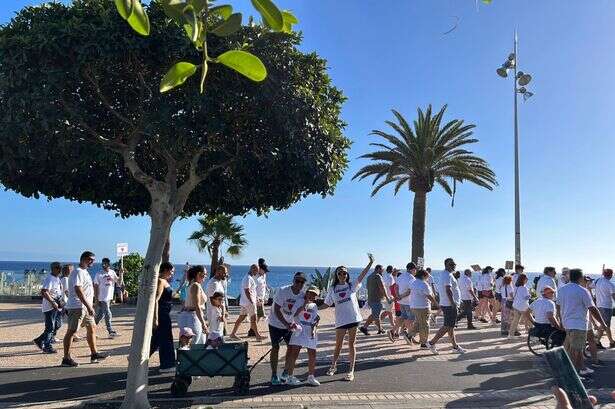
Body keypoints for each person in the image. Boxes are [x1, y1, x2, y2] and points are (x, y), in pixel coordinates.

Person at [322, 254, 374, 382]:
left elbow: (362, 276)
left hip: (353, 319)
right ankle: (333, 366)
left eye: (345, 273)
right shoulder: (333, 289)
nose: (342, 275)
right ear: (336, 275)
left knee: (351, 344)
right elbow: (326, 304)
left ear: (347, 275)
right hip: (340, 320)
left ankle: (351, 371)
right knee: (338, 345)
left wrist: (370, 263)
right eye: (340, 273)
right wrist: (311, 307)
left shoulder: (352, 286)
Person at [556, 268, 609, 375]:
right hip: (579, 324)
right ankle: (573, 375)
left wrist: (560, 320)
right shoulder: (582, 291)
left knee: (578, 348)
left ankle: (582, 368)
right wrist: (602, 323)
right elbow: (592, 308)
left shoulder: (562, 290)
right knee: (575, 351)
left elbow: (558, 306)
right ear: (580, 277)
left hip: (567, 323)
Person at [62, 251, 108, 367]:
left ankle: (94, 354)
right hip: (77, 306)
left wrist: (91, 305)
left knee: (92, 328)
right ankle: (66, 358)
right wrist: (88, 305)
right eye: (90, 259)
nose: (92, 261)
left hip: (85, 307)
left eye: (93, 259)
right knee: (72, 331)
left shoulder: (85, 272)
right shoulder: (78, 272)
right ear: (83, 259)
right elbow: (78, 289)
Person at [266, 271, 306, 385]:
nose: (299, 283)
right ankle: (274, 374)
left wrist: (294, 324)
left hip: (289, 325)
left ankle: (285, 372)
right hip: (275, 323)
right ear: (293, 280)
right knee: (275, 347)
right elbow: (276, 309)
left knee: (291, 348)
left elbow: (299, 311)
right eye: (297, 281)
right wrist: (286, 324)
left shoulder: (302, 295)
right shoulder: (283, 290)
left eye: (302, 282)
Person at [284, 286, 321, 386]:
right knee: (294, 353)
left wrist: (314, 329)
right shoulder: (299, 301)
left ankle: (311, 376)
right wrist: (304, 304)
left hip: (309, 331)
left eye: (314, 294)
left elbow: (314, 320)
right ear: (307, 292)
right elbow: (294, 314)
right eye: (311, 293)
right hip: (299, 330)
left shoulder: (314, 305)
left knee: (312, 353)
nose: (312, 296)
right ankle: (290, 377)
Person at [427, 258, 465, 354]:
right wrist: (453, 303)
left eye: (454, 264)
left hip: (447, 304)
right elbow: (448, 289)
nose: (454, 266)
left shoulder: (447, 274)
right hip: (449, 305)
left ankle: (455, 347)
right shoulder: (447, 275)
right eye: (451, 264)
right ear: (446, 265)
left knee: (450, 327)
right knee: (447, 326)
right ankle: (431, 343)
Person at [149, 261, 175, 373]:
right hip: (162, 314)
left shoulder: (165, 281)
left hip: (165, 312)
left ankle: (136, 358)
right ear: (166, 270)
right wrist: (155, 318)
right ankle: (166, 365)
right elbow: (156, 300)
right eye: (171, 271)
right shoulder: (160, 281)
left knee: (156, 340)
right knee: (166, 339)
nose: (172, 273)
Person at [33, 262, 64, 354]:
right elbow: (44, 292)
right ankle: (47, 346)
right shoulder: (49, 279)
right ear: (53, 268)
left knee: (57, 325)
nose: (60, 270)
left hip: (57, 306)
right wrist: (53, 302)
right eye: (58, 268)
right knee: (50, 327)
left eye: (60, 268)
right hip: (50, 307)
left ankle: (39, 340)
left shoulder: (57, 278)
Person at [229, 264, 264, 341]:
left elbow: (250, 291)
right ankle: (258, 336)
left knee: (241, 318)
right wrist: (252, 301)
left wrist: (256, 299)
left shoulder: (249, 278)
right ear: (253, 269)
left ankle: (233, 334)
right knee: (253, 319)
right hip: (249, 303)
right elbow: (247, 290)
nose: (257, 272)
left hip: (245, 302)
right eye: (256, 271)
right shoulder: (247, 278)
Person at [406, 269, 438, 348]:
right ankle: (424, 343)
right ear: (423, 276)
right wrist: (436, 304)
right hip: (423, 307)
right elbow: (429, 296)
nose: (428, 278)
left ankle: (409, 335)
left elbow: (409, 292)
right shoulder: (424, 284)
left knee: (418, 323)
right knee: (425, 325)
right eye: (427, 276)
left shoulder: (412, 282)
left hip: (413, 306)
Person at [178, 265, 208, 345]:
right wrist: (203, 323)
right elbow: (197, 306)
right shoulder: (195, 285)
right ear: (199, 274)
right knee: (195, 344)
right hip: (193, 317)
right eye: (204, 274)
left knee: (196, 343)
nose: (206, 276)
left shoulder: (191, 284)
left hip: (190, 316)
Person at [359, 264, 391, 335]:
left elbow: (367, 287)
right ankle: (364, 327)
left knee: (376, 315)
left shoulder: (369, 277)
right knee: (375, 315)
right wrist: (387, 297)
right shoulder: (378, 276)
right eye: (382, 270)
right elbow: (382, 287)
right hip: (376, 299)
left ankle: (380, 329)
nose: (383, 271)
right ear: (379, 269)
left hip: (370, 299)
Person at [93, 258, 121, 338]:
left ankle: (91, 329)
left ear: (109, 264)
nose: (103, 265)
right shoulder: (99, 274)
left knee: (100, 315)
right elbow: (95, 285)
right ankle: (110, 331)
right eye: (102, 263)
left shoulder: (112, 272)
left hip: (109, 297)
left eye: (105, 263)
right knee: (108, 313)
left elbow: (119, 282)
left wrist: (121, 273)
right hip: (102, 297)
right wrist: (96, 298)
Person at [389, 262, 416, 344]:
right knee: (411, 319)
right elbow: (409, 291)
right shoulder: (412, 278)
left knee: (402, 317)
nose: (415, 272)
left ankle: (392, 331)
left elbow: (396, 286)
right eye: (415, 270)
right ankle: (409, 336)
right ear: (412, 269)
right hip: (408, 302)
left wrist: (398, 296)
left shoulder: (400, 276)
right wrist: (401, 296)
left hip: (401, 302)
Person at [591, 268, 615, 349]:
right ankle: (610, 342)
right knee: (606, 324)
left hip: (599, 305)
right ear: (611, 275)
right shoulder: (610, 284)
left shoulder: (598, 281)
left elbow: (589, 286)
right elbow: (614, 296)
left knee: (603, 324)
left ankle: (598, 341)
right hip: (607, 306)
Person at [205, 265, 229, 334]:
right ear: (218, 272)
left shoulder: (219, 282)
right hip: (215, 315)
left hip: (219, 314)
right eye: (225, 273)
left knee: (220, 336)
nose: (226, 275)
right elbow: (213, 301)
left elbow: (220, 300)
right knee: (215, 336)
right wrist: (222, 314)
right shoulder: (213, 284)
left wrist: (224, 312)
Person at [508, 273, 532, 338]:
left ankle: (510, 335)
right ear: (523, 280)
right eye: (526, 278)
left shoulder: (516, 287)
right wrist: (530, 295)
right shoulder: (524, 288)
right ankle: (533, 334)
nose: (527, 279)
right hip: (523, 306)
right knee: (530, 320)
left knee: (515, 321)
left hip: (515, 305)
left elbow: (513, 295)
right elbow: (526, 297)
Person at [380, 265, 396, 330]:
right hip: (389, 296)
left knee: (389, 310)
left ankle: (393, 323)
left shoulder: (384, 276)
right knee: (388, 311)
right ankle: (378, 320)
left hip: (385, 295)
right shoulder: (390, 277)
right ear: (391, 270)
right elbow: (392, 287)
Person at [255, 258, 269, 325]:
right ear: (260, 269)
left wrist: (265, 296)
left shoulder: (264, 275)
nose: (265, 272)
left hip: (261, 297)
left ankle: (253, 329)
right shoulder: (256, 277)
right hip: (257, 298)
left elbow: (264, 284)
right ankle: (252, 330)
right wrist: (257, 298)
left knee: (258, 315)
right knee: (258, 314)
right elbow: (253, 288)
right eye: (264, 271)